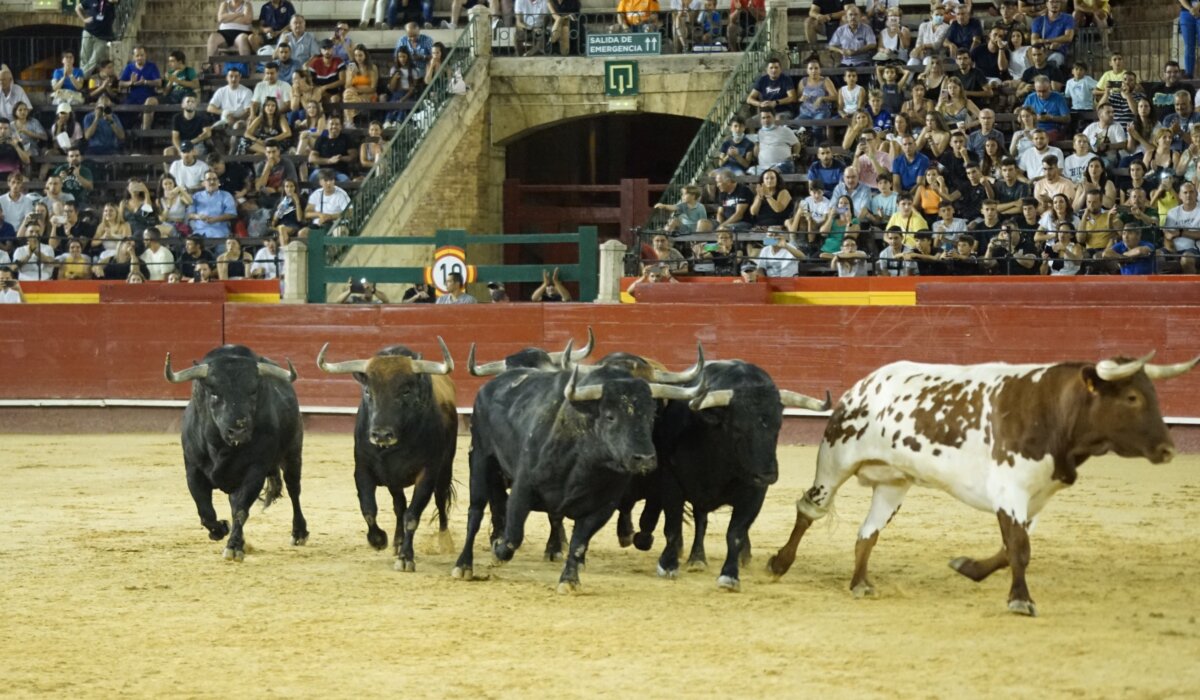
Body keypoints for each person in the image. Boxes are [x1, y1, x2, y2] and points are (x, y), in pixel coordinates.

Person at [206, 0, 255, 75]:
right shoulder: (225, 4)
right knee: (212, 38)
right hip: (224, 33)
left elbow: (247, 20)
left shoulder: (247, 4)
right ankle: (212, 66)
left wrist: (228, 18)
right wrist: (239, 14)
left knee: (242, 39)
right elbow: (220, 19)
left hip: (242, 32)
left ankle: (245, 69)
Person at [299, 169, 351, 238]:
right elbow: (307, 213)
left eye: (331, 180)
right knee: (302, 233)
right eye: (326, 181)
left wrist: (330, 217)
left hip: (337, 224)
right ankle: (314, 249)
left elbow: (350, 212)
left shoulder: (341, 194)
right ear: (320, 182)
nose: (329, 183)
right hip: (319, 225)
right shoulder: (316, 194)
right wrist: (320, 215)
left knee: (340, 232)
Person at [118, 46, 161, 131]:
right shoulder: (129, 67)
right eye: (137, 55)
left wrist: (145, 82)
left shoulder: (152, 66)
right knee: (122, 115)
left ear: (145, 55)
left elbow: (158, 83)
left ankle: (145, 135)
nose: (140, 57)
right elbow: (121, 83)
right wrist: (131, 82)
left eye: (142, 55)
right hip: (132, 99)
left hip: (148, 97)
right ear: (134, 57)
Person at [1162, 180, 1200, 273]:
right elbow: (1168, 235)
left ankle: (1191, 287)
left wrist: (1180, 232)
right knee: (1157, 255)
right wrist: (1171, 248)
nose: (1188, 195)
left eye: (1191, 192)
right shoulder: (1172, 212)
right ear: (1180, 195)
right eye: (1185, 192)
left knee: (1186, 259)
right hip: (1173, 248)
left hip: (1194, 249)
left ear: (1196, 194)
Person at [187, 173, 238, 239]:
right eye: (208, 179)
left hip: (220, 232)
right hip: (199, 232)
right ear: (204, 183)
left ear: (218, 182)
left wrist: (215, 219)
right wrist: (198, 216)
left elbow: (232, 214)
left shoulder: (226, 195)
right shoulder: (196, 196)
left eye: (214, 179)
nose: (212, 182)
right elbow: (189, 214)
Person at [76, 0, 118, 75]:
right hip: (89, 32)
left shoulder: (110, 2)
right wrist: (84, 19)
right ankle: (81, 80)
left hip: (103, 36)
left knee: (95, 59)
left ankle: (80, 77)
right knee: (84, 56)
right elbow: (77, 8)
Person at [752, 108, 800, 174]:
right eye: (763, 118)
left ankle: (770, 173)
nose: (766, 120)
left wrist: (795, 153)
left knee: (771, 173)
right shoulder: (759, 133)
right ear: (760, 120)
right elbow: (756, 154)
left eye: (768, 117)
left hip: (783, 165)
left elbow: (796, 144)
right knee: (750, 173)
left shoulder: (785, 130)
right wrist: (756, 144)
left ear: (774, 118)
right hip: (764, 167)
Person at [308, 116, 355, 182]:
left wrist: (340, 158)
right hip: (322, 171)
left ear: (341, 126)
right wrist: (329, 160)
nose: (334, 126)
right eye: (331, 124)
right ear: (327, 126)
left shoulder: (346, 138)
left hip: (340, 171)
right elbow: (311, 158)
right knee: (312, 178)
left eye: (337, 124)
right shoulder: (321, 139)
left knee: (345, 181)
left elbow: (353, 156)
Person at [207, 68, 254, 132]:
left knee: (237, 126)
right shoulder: (221, 91)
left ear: (240, 77)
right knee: (211, 130)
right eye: (231, 76)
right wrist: (225, 113)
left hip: (241, 120)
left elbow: (248, 111)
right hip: (225, 120)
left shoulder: (247, 91)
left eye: (236, 76)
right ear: (227, 78)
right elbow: (210, 108)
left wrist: (235, 119)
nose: (233, 79)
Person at [342, 46, 379, 126]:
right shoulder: (352, 66)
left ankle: (349, 122)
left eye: (360, 55)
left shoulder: (372, 67)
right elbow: (347, 86)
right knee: (347, 93)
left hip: (368, 94)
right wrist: (351, 76)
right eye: (356, 55)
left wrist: (358, 90)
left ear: (365, 55)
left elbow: (373, 89)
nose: (358, 58)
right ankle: (350, 122)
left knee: (348, 96)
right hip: (354, 94)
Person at [1030, 0, 1074, 66]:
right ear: (1047, 4)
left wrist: (1048, 41)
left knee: (1052, 63)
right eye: (1052, 2)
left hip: (1059, 52)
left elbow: (1068, 37)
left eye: (1057, 2)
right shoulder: (1038, 20)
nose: (1055, 4)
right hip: (1041, 52)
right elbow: (1033, 41)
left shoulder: (1068, 18)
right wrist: (1047, 43)